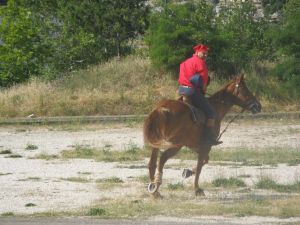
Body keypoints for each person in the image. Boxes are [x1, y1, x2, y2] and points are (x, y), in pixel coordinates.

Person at [178, 44, 222, 146]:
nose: (205, 55)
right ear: (197, 52)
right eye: (204, 53)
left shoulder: (185, 62)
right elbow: (203, 83)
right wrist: (203, 90)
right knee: (211, 112)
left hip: (182, 90)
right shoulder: (201, 63)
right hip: (193, 92)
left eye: (206, 54)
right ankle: (208, 138)